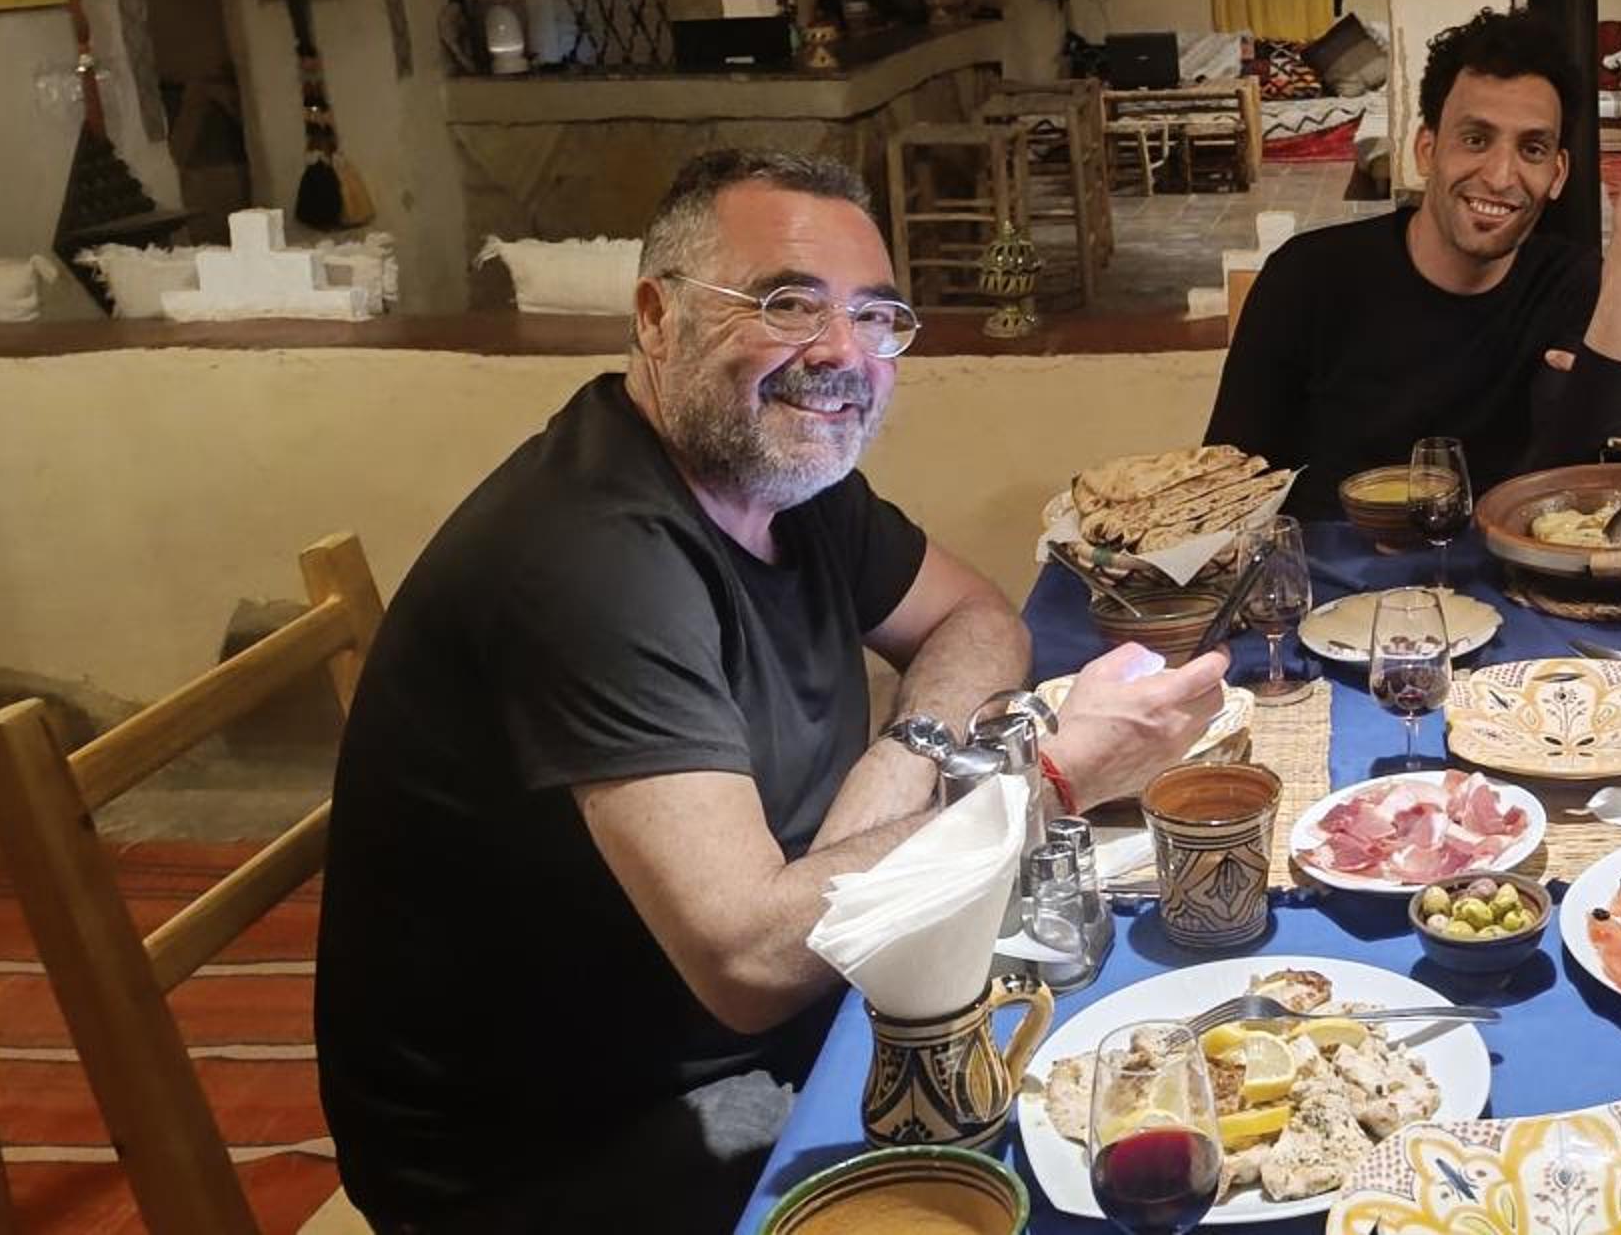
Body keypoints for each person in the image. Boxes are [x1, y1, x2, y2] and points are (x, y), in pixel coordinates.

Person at [316, 149, 1229, 1232]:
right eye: (788, 304)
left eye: (876, 317)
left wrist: (906, 755)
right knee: (1088, 1152)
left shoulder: (784, 478)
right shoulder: (592, 559)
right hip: (572, 1147)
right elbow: (748, 960)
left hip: (776, 1012)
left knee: (1158, 1050)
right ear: (657, 317)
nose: (843, 353)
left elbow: (978, 617)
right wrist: (1051, 779)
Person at [1205, 6, 1621, 516]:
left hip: (1507, 562)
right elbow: (1228, 487)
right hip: (1329, 566)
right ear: (1426, 150)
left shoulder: (1571, 282)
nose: (1500, 176)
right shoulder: (1307, 276)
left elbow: (1582, 480)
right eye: (1475, 140)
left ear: (1558, 173)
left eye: (1532, 149)